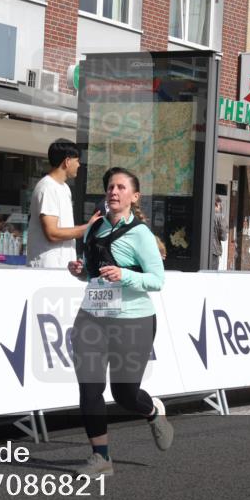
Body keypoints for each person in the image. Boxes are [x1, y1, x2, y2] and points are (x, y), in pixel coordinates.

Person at [67, 167, 171, 477]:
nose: (114, 191)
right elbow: (91, 269)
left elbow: (157, 280)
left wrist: (124, 274)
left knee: (124, 394)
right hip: (93, 316)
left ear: (133, 196)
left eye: (121, 187)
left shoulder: (140, 234)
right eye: (111, 187)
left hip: (133, 320)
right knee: (89, 386)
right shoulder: (93, 228)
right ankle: (101, 458)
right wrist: (80, 270)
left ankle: (152, 411)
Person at [26, 139, 100, 268]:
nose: (79, 165)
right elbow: (52, 233)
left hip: (63, 265)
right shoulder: (47, 188)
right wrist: (88, 228)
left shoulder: (64, 188)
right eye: (77, 160)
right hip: (47, 267)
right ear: (67, 161)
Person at [210, 195, 228, 270]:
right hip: (214, 252)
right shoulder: (220, 217)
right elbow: (224, 237)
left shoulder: (203, 214)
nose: (220, 207)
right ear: (216, 204)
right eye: (220, 205)